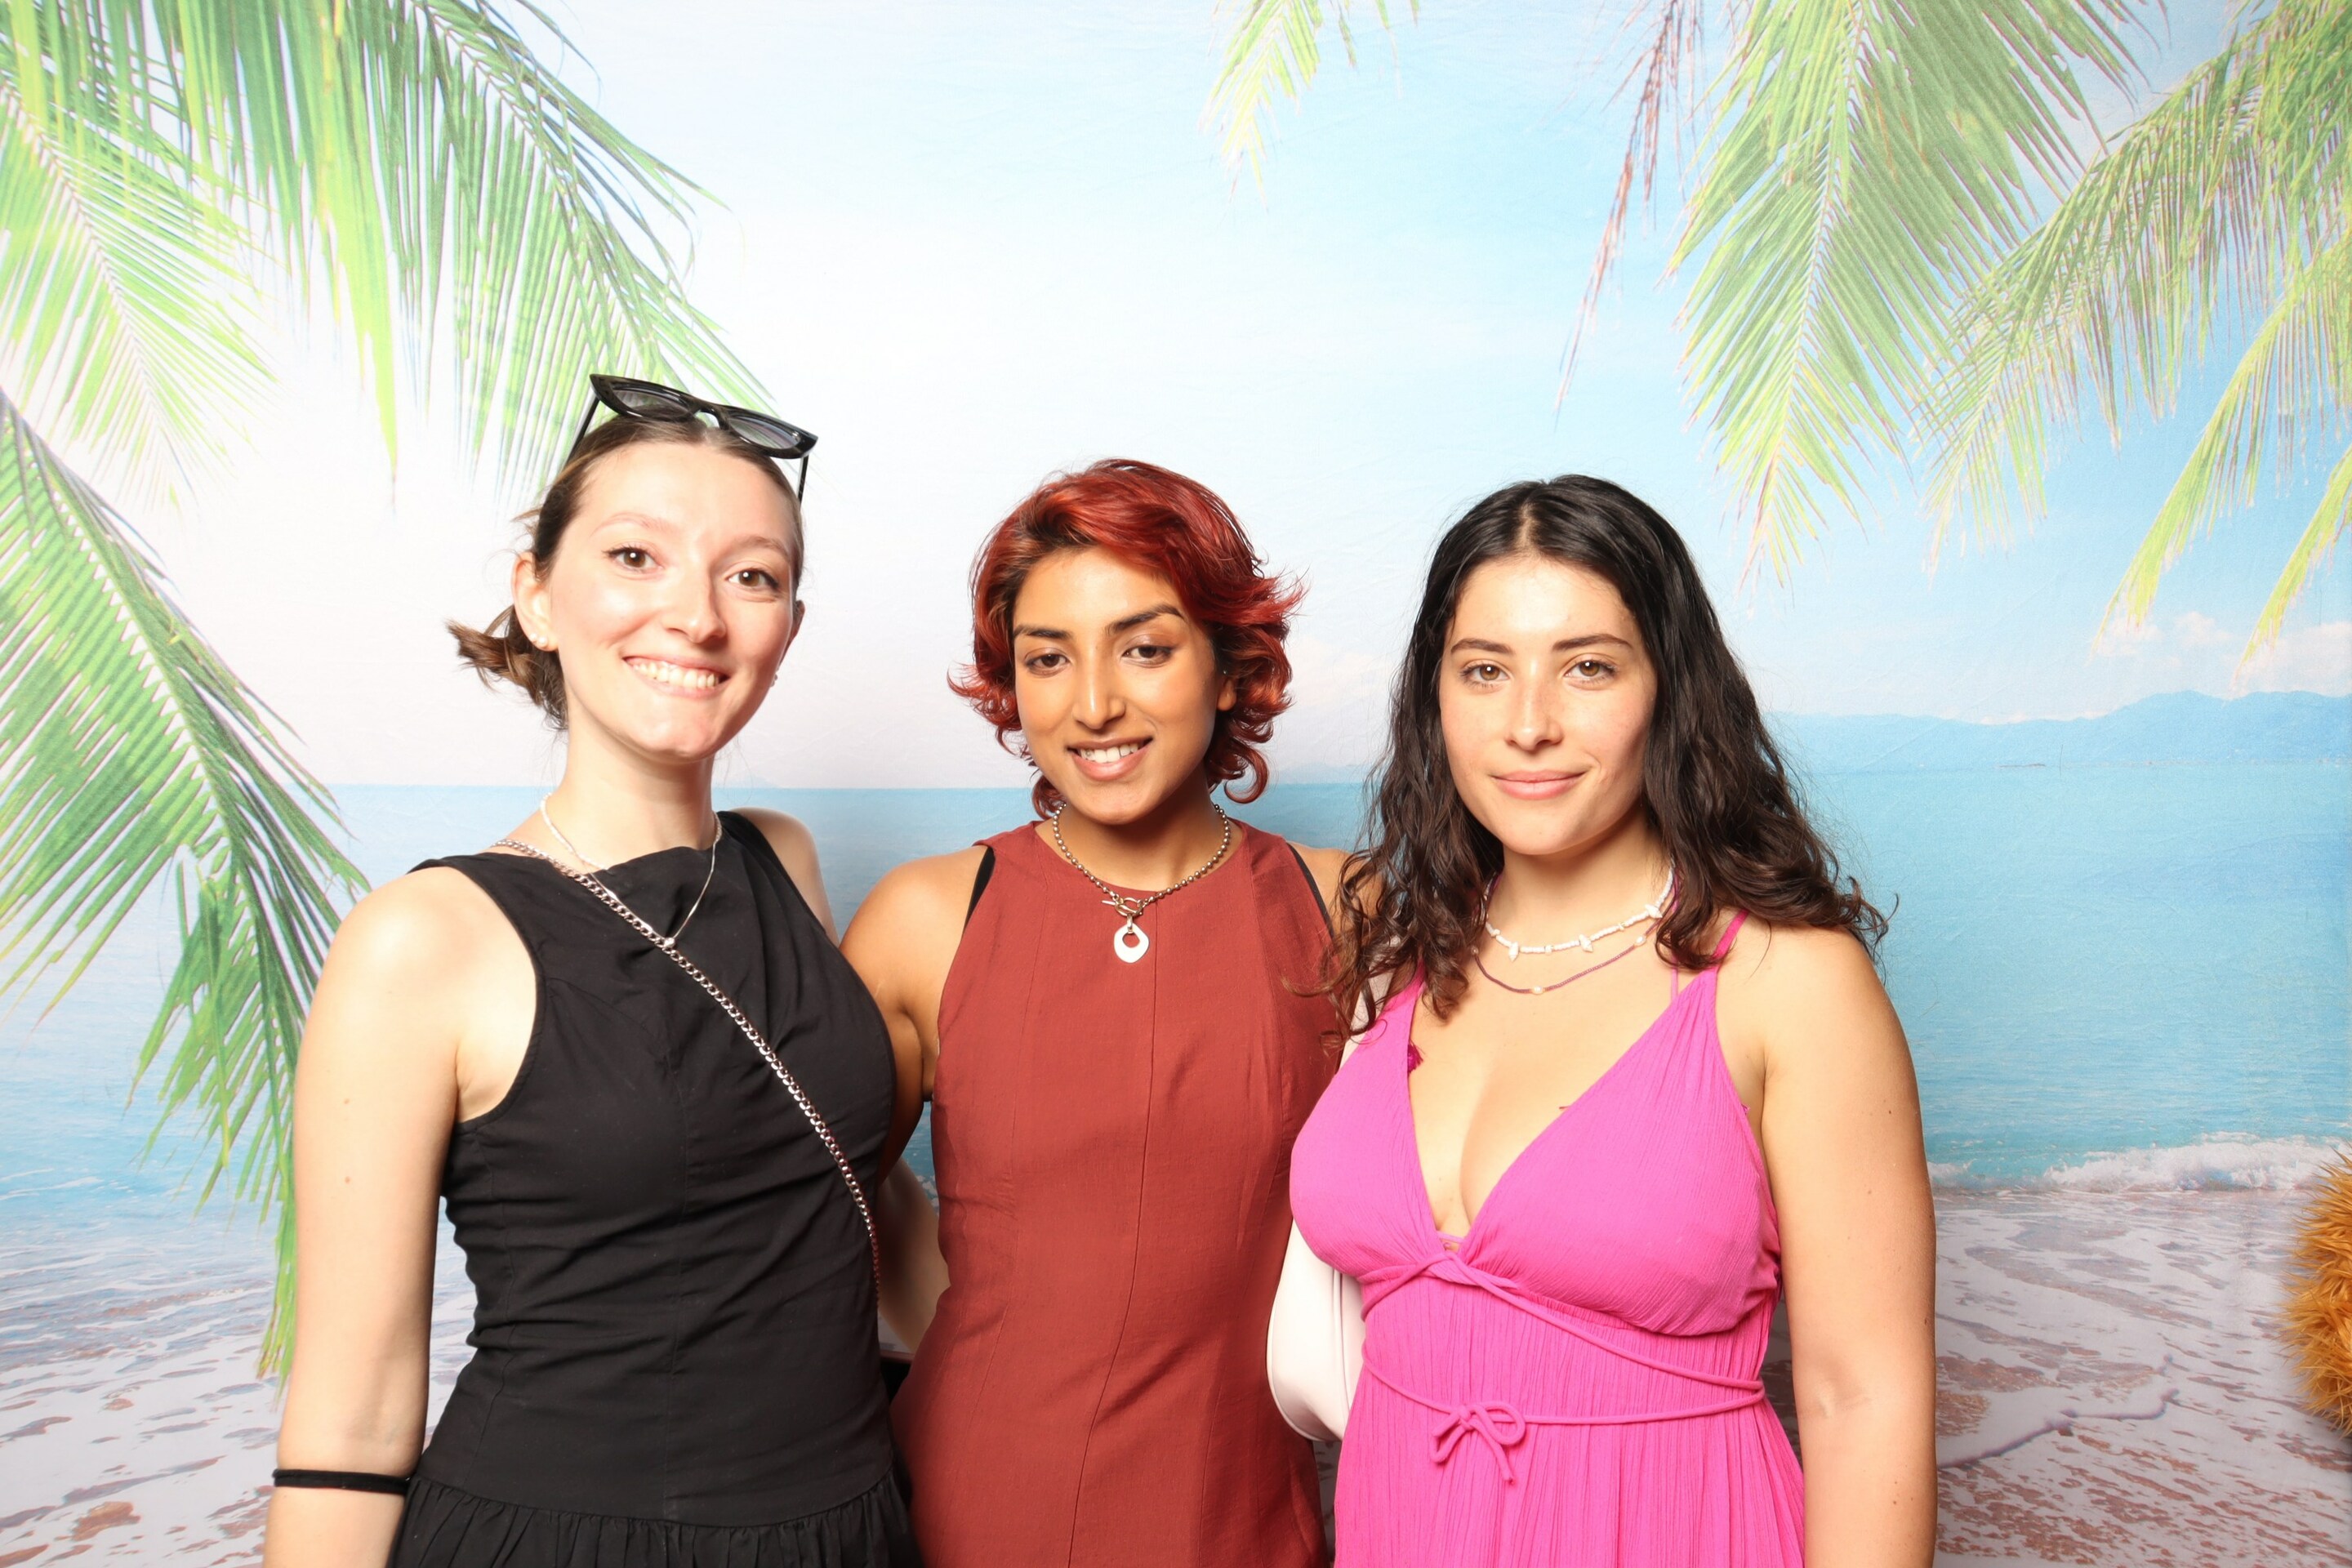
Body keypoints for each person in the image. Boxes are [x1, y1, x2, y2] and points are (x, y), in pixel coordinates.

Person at [262, 378, 926, 1568]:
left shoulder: (783, 861)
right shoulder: (424, 940)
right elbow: (351, 1413)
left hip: (849, 1524)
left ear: (787, 628)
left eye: (752, 576)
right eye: (635, 556)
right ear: (537, 595)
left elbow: (832, 1204)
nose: (697, 615)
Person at [1291, 476, 1936, 1566]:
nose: (1529, 724)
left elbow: (1862, 1397)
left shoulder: (1787, 981)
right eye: (1484, 670)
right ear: (1434, 697)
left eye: (1588, 667)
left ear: (1669, 689)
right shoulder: (1400, 959)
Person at [844, 460, 1346, 1568]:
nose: (1093, 704)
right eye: (1048, 658)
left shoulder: (1347, 912)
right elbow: (808, 1222)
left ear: (1229, 665)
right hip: (972, 1505)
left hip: (1245, 1520)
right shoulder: (926, 918)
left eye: (1145, 648)